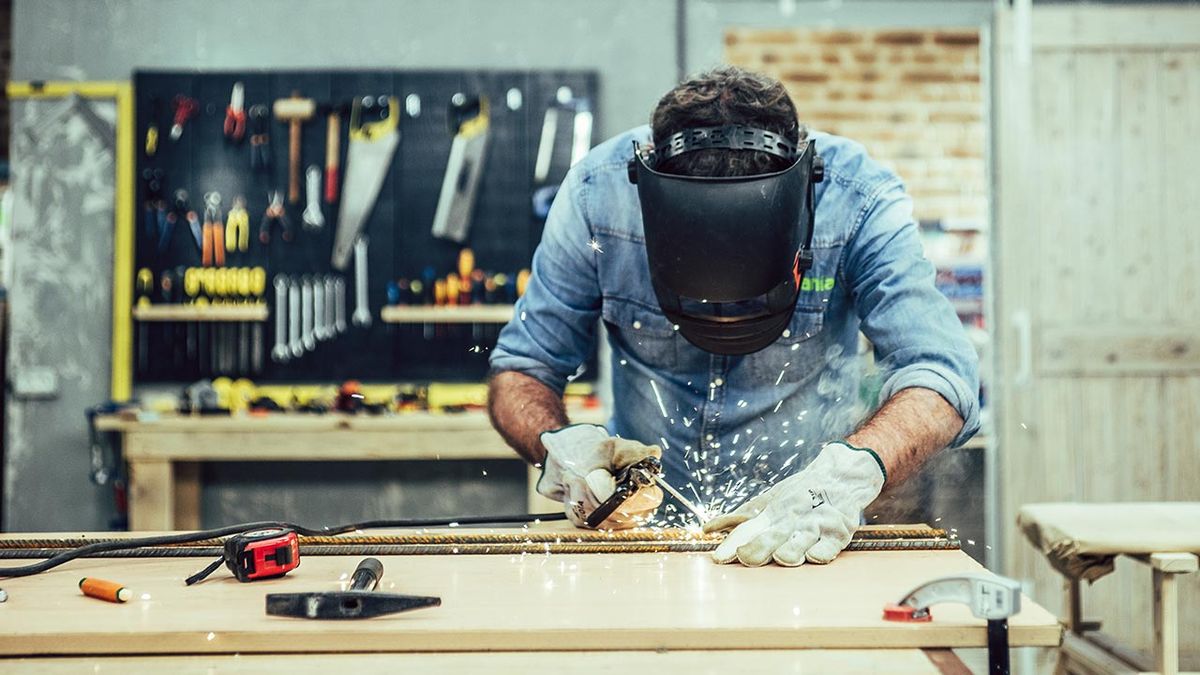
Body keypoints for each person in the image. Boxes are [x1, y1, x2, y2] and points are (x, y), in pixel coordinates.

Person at [487, 66, 979, 568]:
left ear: (801, 189)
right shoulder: (598, 195)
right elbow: (524, 367)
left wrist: (847, 476)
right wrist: (560, 450)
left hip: (801, 534)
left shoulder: (858, 199)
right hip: (641, 537)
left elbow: (942, 373)